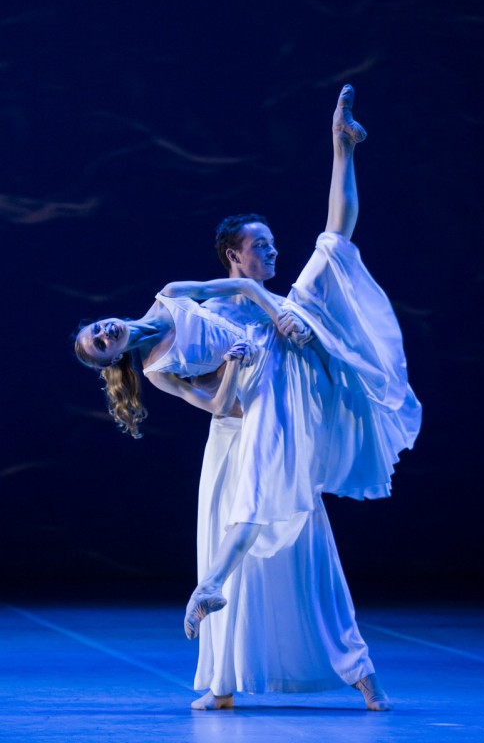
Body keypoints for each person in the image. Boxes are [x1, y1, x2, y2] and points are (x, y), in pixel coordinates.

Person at [74, 85, 421, 712]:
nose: (105, 332)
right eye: (100, 344)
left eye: (98, 327)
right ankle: (224, 670)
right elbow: (221, 407)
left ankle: (342, 144)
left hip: (284, 370)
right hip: (252, 409)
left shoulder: (172, 294)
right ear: (109, 358)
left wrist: (280, 312)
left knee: (332, 250)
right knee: (263, 516)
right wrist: (234, 368)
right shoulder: (157, 369)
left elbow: (264, 277)